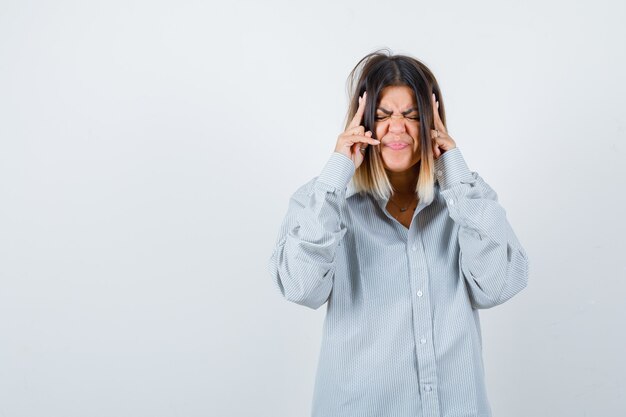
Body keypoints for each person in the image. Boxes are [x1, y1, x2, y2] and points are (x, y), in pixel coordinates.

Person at [267, 50, 529, 417]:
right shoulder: (323, 204)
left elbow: (498, 285)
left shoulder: (467, 204)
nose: (397, 127)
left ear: (430, 122)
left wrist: (453, 170)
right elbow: (301, 287)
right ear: (363, 123)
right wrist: (337, 170)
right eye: (383, 115)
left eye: (410, 115)